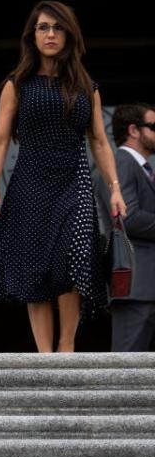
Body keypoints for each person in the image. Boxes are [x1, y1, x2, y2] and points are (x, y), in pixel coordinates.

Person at [0, 0, 126, 353]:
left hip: (73, 179)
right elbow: (0, 139)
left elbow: (99, 141)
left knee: (73, 255)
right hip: (30, 181)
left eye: (57, 27)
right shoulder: (17, 85)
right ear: (32, 36)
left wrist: (114, 188)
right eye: (43, 27)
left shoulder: (86, 86)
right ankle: (45, 356)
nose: (50, 34)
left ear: (69, 35)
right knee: (35, 265)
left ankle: (66, 346)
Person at [94, 104, 155, 351]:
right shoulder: (121, 162)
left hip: (144, 287)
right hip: (136, 286)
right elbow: (126, 218)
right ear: (134, 130)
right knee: (128, 367)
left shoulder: (137, 167)